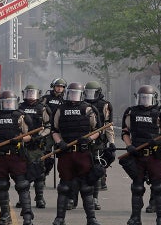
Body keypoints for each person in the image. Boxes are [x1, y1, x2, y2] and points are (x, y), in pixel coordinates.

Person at [51, 82, 101, 225]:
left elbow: (97, 130)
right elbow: (54, 130)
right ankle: (60, 218)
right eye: (70, 94)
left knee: (86, 187)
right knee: (64, 187)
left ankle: (91, 219)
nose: (73, 97)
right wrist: (59, 142)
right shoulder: (60, 109)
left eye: (75, 94)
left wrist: (88, 139)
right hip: (66, 153)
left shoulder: (88, 109)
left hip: (82, 153)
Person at [121, 85, 161, 225]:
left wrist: (160, 141)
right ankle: (135, 217)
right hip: (137, 155)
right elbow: (125, 132)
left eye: (147, 98)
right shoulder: (131, 112)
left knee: (158, 186)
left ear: (154, 98)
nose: (144, 100)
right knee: (137, 187)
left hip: (154, 155)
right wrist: (129, 145)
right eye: (142, 98)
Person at [0, 90, 34, 225]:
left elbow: (29, 136)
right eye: (4, 103)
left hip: (16, 156)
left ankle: (27, 216)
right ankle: (5, 215)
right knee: (2, 185)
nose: (7, 105)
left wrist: (19, 139)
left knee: (22, 185)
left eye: (9, 103)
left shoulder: (20, 116)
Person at [17, 84, 51, 209]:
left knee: (39, 171)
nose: (31, 97)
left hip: (37, 144)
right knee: (22, 172)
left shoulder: (42, 108)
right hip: (22, 144)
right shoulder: (19, 107)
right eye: (28, 94)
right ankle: (24, 198)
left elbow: (48, 127)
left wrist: (40, 136)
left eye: (33, 94)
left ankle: (40, 198)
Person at [83, 80, 115, 210]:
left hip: (98, 142)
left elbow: (108, 126)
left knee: (96, 170)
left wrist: (112, 142)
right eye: (88, 93)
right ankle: (72, 199)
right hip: (82, 141)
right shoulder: (81, 105)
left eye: (93, 93)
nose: (90, 95)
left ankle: (94, 199)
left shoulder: (104, 105)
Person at [39, 78, 66, 189]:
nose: (59, 88)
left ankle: (64, 179)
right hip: (47, 130)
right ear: (53, 86)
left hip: (60, 130)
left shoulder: (65, 99)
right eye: (57, 86)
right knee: (47, 155)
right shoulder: (46, 99)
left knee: (63, 155)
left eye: (62, 86)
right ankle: (43, 175)